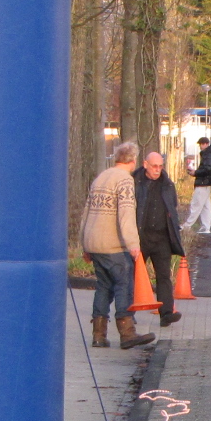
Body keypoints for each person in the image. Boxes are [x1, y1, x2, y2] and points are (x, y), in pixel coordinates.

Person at [81, 141, 156, 350]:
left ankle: (98, 335)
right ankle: (127, 332)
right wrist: (133, 244)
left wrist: (84, 244)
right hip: (113, 245)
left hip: (94, 242)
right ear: (133, 161)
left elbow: (86, 212)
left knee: (103, 287)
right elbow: (126, 215)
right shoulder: (124, 180)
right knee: (124, 285)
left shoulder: (101, 177)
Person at [133, 150, 186, 328]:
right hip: (141, 237)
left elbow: (173, 207)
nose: (157, 170)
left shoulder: (167, 185)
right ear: (145, 164)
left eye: (160, 166)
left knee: (163, 276)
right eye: (154, 166)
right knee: (132, 275)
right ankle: (127, 314)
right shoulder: (135, 182)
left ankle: (166, 313)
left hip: (162, 237)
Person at [186, 137, 211, 233]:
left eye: (201, 144)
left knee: (196, 204)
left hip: (203, 183)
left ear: (206, 144)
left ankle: (187, 225)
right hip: (206, 183)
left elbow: (207, 169)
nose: (200, 146)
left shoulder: (209, 155)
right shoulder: (210, 154)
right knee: (205, 206)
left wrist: (196, 173)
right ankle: (206, 227)